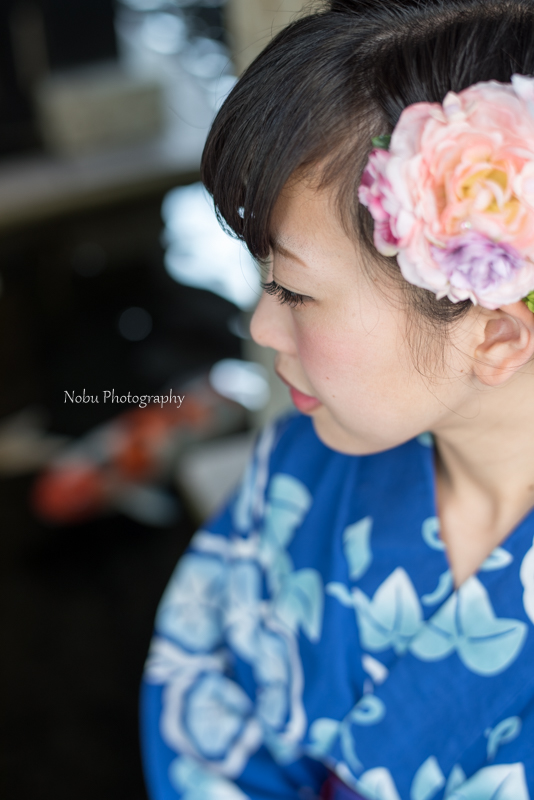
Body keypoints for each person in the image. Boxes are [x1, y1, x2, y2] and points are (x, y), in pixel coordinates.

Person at [139, 1, 534, 798]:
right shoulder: (298, 473)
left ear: (495, 335)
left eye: (294, 291)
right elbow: (200, 704)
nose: (260, 325)